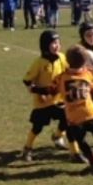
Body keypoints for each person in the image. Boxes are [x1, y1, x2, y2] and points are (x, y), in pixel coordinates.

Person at [52, 45, 93, 175]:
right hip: (91, 113)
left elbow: (51, 89)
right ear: (84, 62)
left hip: (74, 117)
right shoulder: (87, 74)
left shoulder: (61, 77)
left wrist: (35, 88)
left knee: (81, 141)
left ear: (67, 60)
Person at [21, 30, 84, 163]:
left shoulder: (62, 58)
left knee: (68, 123)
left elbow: (68, 72)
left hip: (60, 100)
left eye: (58, 42)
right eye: (53, 43)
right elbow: (27, 81)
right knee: (37, 127)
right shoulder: (39, 62)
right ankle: (27, 148)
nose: (57, 45)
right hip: (43, 103)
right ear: (45, 45)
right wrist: (39, 92)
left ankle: (74, 152)